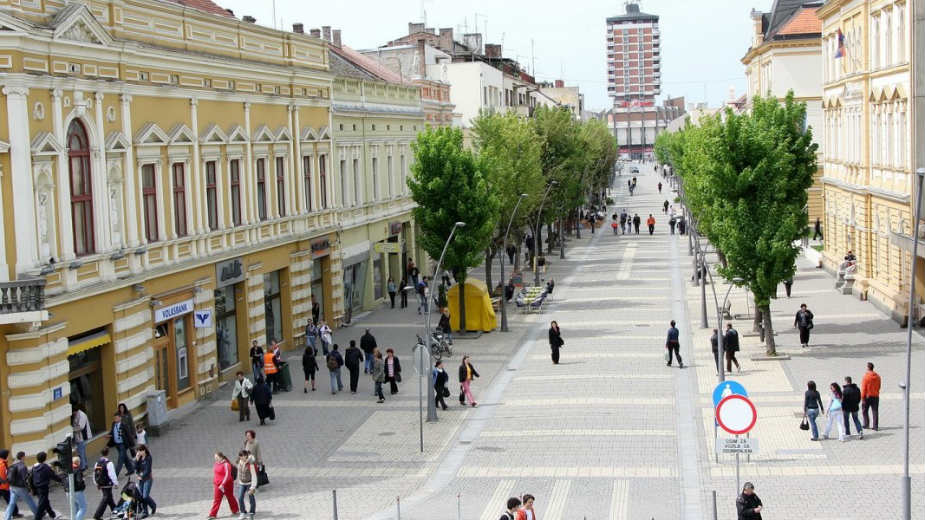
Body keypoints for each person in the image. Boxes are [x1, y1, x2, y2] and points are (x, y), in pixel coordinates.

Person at [4, 451, 35, 520]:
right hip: (20, 487)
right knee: (30, 500)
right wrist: (30, 489)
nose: (25, 457)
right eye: (24, 456)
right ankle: (38, 514)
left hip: (12, 486)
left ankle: (7, 518)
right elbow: (26, 479)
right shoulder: (22, 466)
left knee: (11, 503)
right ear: (22, 457)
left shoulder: (12, 464)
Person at [30, 451, 61, 520]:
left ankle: (52, 515)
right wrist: (61, 480)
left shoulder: (34, 467)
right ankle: (37, 518)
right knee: (42, 504)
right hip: (43, 487)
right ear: (45, 459)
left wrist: (32, 488)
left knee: (45, 501)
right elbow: (53, 476)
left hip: (36, 487)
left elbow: (31, 478)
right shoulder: (46, 467)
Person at [208, 452, 239, 519]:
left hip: (227, 484)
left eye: (217, 457)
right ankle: (212, 514)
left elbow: (227, 476)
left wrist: (222, 484)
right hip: (217, 485)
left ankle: (235, 510)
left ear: (221, 457)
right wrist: (215, 482)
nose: (215, 459)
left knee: (230, 497)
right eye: (215, 458)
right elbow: (216, 474)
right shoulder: (216, 464)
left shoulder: (226, 464)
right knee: (217, 500)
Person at [92, 448, 118, 520]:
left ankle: (115, 510)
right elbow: (112, 474)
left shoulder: (97, 463)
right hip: (107, 483)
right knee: (106, 498)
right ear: (108, 453)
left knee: (109, 497)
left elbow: (95, 474)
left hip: (100, 483)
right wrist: (115, 483)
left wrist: (96, 483)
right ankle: (97, 515)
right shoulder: (109, 463)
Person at [107, 412, 135, 476]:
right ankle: (131, 469)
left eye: (116, 418)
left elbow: (128, 435)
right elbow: (112, 432)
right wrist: (109, 436)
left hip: (123, 444)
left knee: (120, 460)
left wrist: (132, 445)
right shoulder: (113, 424)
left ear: (120, 418)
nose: (115, 419)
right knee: (125, 457)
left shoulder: (124, 425)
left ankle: (115, 474)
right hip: (117, 444)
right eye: (114, 418)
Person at [235, 450, 258, 519]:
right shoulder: (239, 462)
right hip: (242, 483)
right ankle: (243, 512)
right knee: (240, 497)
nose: (241, 457)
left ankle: (252, 512)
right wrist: (238, 481)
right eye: (240, 456)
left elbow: (254, 476)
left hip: (249, 483)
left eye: (242, 456)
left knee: (251, 498)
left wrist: (252, 487)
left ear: (246, 456)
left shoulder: (250, 464)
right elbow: (239, 472)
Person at [134, 445, 155, 518]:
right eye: (138, 451)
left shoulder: (148, 458)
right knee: (141, 496)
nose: (138, 453)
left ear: (144, 450)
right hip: (141, 480)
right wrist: (136, 460)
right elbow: (135, 468)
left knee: (145, 496)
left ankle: (153, 505)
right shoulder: (138, 458)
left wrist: (141, 476)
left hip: (147, 479)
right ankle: (145, 512)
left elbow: (148, 470)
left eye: (140, 451)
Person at [861, 362, 881, 431]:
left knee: (864, 411)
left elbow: (864, 388)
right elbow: (879, 386)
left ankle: (866, 424)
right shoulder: (878, 376)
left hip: (867, 396)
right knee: (875, 411)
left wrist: (862, 397)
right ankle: (875, 426)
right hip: (876, 396)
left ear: (868, 368)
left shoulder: (866, 377)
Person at [0, 450, 18, 520]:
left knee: (11, 500)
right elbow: (3, 477)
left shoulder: (2, 462)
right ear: (5, 455)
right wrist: (7, 483)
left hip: (4, 486)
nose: (9, 456)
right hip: (4, 487)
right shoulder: (1, 464)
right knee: (10, 501)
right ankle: (12, 514)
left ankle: (15, 513)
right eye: (8, 455)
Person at [72, 406, 91, 471]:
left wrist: (71, 430)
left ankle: (83, 467)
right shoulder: (78, 414)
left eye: (73, 412)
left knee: (81, 453)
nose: (73, 414)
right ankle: (85, 465)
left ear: (75, 411)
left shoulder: (81, 415)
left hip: (81, 437)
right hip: (79, 437)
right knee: (82, 452)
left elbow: (81, 427)